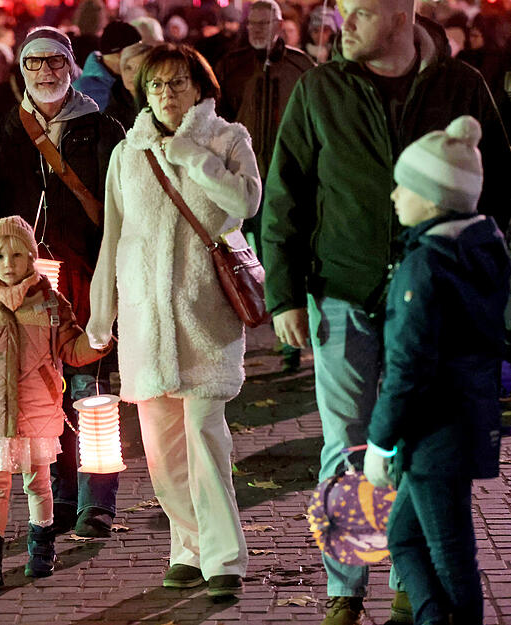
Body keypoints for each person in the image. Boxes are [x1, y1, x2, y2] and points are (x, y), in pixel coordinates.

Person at [261, 1, 511, 623]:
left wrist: (485, 291)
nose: (344, 24)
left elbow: (500, 195)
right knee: (347, 441)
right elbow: (287, 189)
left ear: (403, 12)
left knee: (415, 439)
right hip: (343, 290)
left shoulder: (461, 85)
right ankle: (344, 588)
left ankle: (409, 577)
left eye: (363, 11)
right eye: (342, 11)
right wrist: (285, 293)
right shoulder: (322, 87)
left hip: (435, 303)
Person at [87, 42, 259, 598]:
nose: (166, 93)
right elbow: (113, 237)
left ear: (199, 86)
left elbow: (245, 202)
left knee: (206, 440)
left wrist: (192, 157)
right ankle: (187, 545)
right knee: (161, 454)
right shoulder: (127, 152)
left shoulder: (227, 138)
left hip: (205, 317)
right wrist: (101, 313)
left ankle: (224, 560)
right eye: (157, 84)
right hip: (145, 321)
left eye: (178, 82)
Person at [0, 26, 126, 538]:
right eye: (34, 63)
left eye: (55, 62)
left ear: (72, 65)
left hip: (87, 281)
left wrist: (115, 269)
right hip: (25, 293)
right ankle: (60, 500)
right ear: (21, 70)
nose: (45, 72)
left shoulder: (103, 130)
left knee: (93, 390)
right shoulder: (0, 133)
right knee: (43, 399)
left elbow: (122, 208)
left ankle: (96, 504)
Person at [365, 116, 509, 625]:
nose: (394, 195)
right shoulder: (483, 246)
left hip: (434, 433)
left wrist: (380, 442)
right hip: (466, 422)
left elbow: (408, 367)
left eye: (405, 185)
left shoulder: (425, 264)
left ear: (434, 197)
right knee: (406, 538)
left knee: (451, 560)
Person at [0, 216, 111, 589]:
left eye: (17, 254)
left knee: (39, 483)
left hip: (38, 406)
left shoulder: (50, 301)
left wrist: (96, 342)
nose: (8, 263)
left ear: (31, 257)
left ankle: (42, 546)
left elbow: (71, 346)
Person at [215, 0, 314, 373]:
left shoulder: (300, 65)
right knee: (235, 259)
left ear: (278, 23)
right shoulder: (231, 64)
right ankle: (235, 337)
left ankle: (288, 341)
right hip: (240, 179)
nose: (257, 27)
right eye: (252, 21)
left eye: (264, 21)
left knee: (281, 256)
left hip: (283, 178)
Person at [72, 20, 142, 111]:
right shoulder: (83, 93)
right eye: (136, 52)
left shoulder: (127, 80)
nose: (140, 57)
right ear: (121, 54)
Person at [104, 41, 153, 129]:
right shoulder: (115, 102)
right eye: (128, 68)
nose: (132, 75)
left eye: (139, 69)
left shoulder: (157, 103)